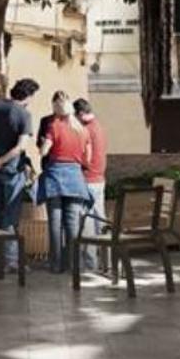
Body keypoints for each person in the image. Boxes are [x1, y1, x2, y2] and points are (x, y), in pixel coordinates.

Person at [0, 78, 40, 274]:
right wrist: (2, 161)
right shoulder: (24, 114)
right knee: (10, 216)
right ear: (29, 96)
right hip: (12, 171)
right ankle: (10, 261)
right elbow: (20, 147)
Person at [36, 91, 92, 274]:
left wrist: (44, 144)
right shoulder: (82, 129)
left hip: (55, 175)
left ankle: (56, 264)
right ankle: (73, 263)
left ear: (55, 107)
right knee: (72, 223)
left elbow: (44, 151)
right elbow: (87, 155)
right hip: (75, 176)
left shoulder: (54, 126)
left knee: (55, 222)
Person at [74, 98, 108, 271]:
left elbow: (83, 157)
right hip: (100, 179)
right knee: (100, 221)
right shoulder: (99, 127)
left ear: (80, 114)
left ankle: (89, 265)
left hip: (87, 180)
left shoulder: (85, 130)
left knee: (86, 223)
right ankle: (107, 263)